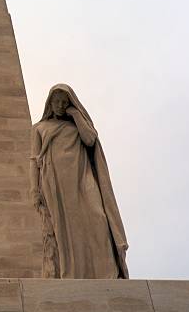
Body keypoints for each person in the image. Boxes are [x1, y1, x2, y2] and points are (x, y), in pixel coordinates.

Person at [30, 84, 129, 279]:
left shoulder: (76, 124)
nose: (60, 105)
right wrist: (34, 189)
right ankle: (73, 274)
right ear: (50, 103)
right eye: (56, 101)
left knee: (98, 219)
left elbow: (90, 139)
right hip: (56, 182)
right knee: (65, 230)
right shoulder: (39, 128)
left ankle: (107, 273)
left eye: (64, 102)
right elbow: (34, 160)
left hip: (82, 177)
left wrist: (76, 115)